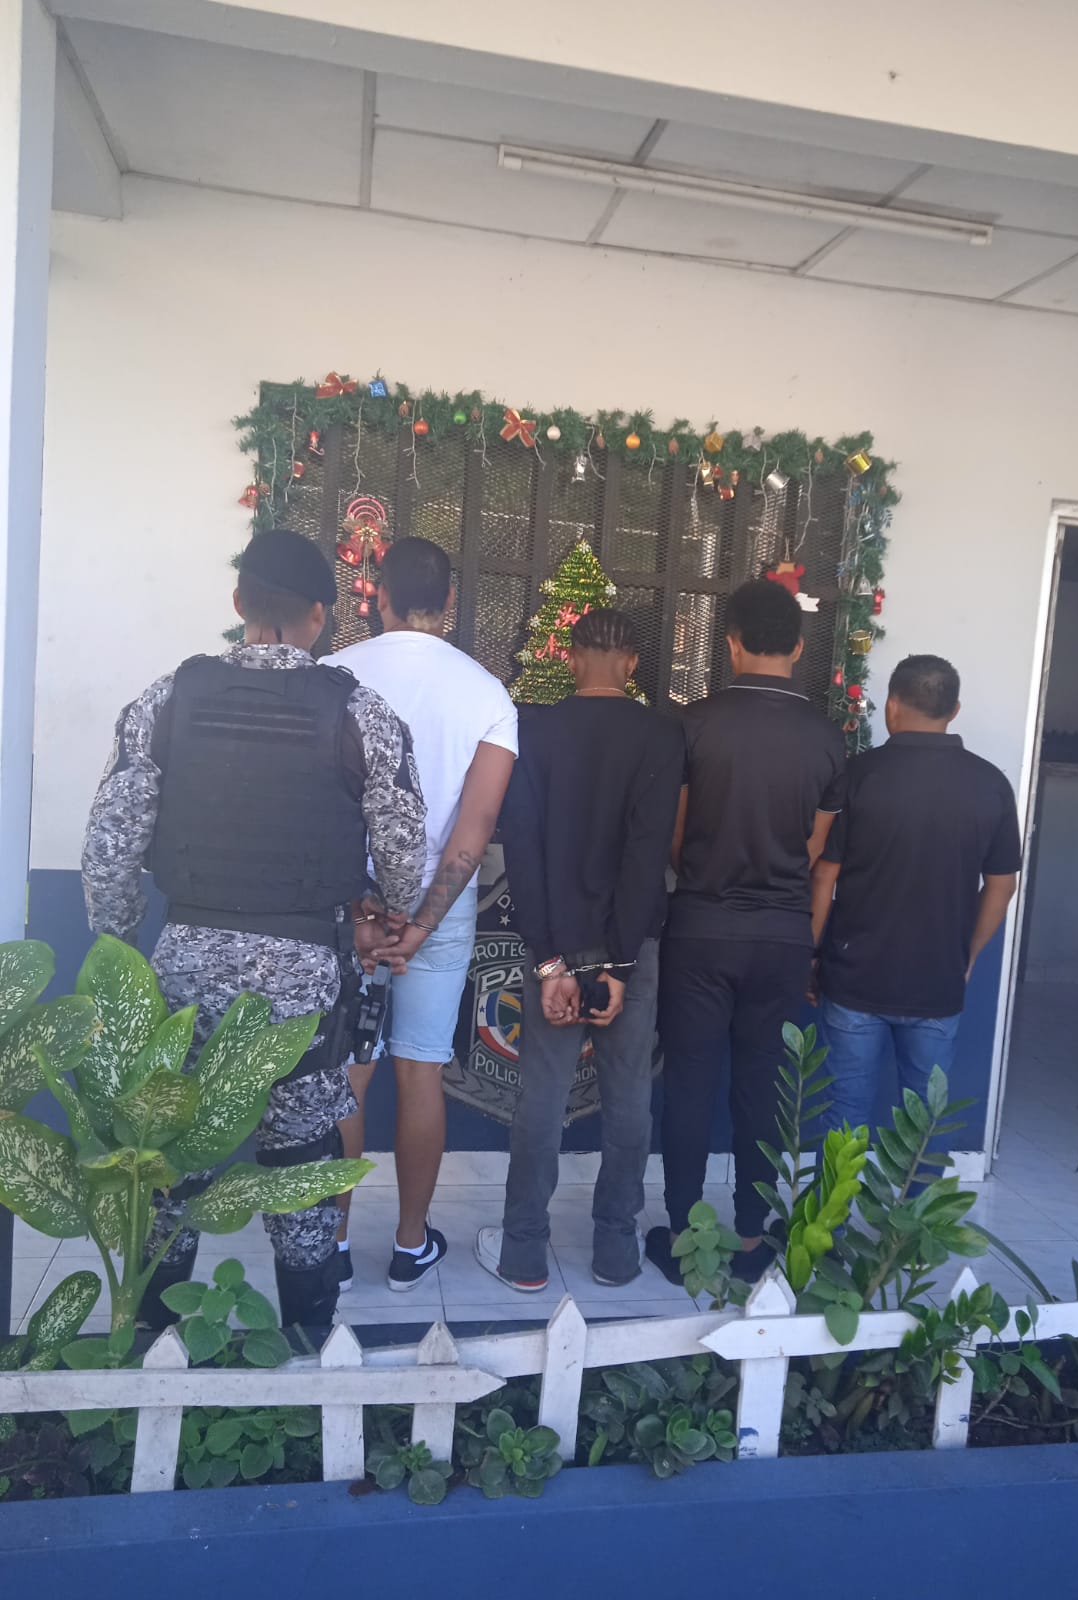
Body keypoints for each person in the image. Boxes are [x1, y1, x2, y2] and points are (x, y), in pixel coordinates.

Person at [82, 529, 426, 1331]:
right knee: (299, 1161)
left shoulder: (168, 699)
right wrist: (384, 909)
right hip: (305, 977)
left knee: (170, 1156)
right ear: (321, 616)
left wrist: (121, 951)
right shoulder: (359, 711)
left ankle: (154, 1338)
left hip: (183, 967)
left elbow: (108, 848)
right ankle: (306, 1336)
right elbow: (406, 848)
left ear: (239, 603)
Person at [327, 537, 518, 1292]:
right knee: (421, 1071)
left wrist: (362, 909)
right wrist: (421, 925)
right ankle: (410, 1245)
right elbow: (473, 832)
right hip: (440, 911)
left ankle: (333, 1244)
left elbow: (320, 809)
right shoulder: (486, 694)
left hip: (351, 905)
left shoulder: (335, 675)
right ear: (449, 603)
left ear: (376, 595)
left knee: (347, 1074)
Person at [475, 609, 685, 1292]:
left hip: (553, 944)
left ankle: (524, 1251)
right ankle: (615, 1248)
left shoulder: (532, 729)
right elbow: (646, 855)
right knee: (629, 1099)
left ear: (569, 658)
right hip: (632, 949)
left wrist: (549, 961)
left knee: (541, 1097)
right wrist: (620, 966)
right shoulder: (660, 736)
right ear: (632, 664)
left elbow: (523, 849)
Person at [648, 578, 846, 1288]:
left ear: (730, 643)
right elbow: (816, 849)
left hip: (700, 929)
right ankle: (755, 1237)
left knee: (690, 1083)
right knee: (761, 1089)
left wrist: (706, 870)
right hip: (784, 937)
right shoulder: (827, 739)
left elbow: (674, 836)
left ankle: (683, 1237)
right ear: (799, 646)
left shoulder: (693, 725)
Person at [811, 654, 1021, 1129]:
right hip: (938, 982)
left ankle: (837, 1186)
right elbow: (1002, 885)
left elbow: (824, 876)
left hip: (854, 980)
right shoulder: (991, 784)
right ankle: (915, 1186)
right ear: (955, 710)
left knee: (844, 1120)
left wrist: (811, 953)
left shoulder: (859, 774)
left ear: (891, 705)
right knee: (922, 1128)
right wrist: (967, 955)